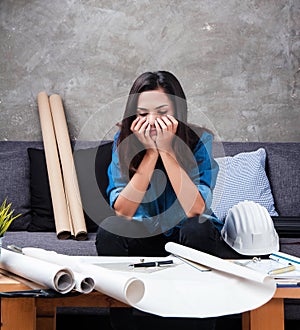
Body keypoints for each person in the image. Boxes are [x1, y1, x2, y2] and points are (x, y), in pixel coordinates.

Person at [95, 71, 223, 330]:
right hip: (145, 236)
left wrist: (167, 150)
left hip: (186, 238)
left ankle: (195, 320)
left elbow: (195, 207)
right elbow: (122, 210)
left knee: (198, 226)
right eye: (143, 115)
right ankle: (122, 323)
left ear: (177, 111)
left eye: (162, 112)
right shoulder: (124, 142)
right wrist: (151, 153)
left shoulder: (200, 141)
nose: (152, 122)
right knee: (109, 228)